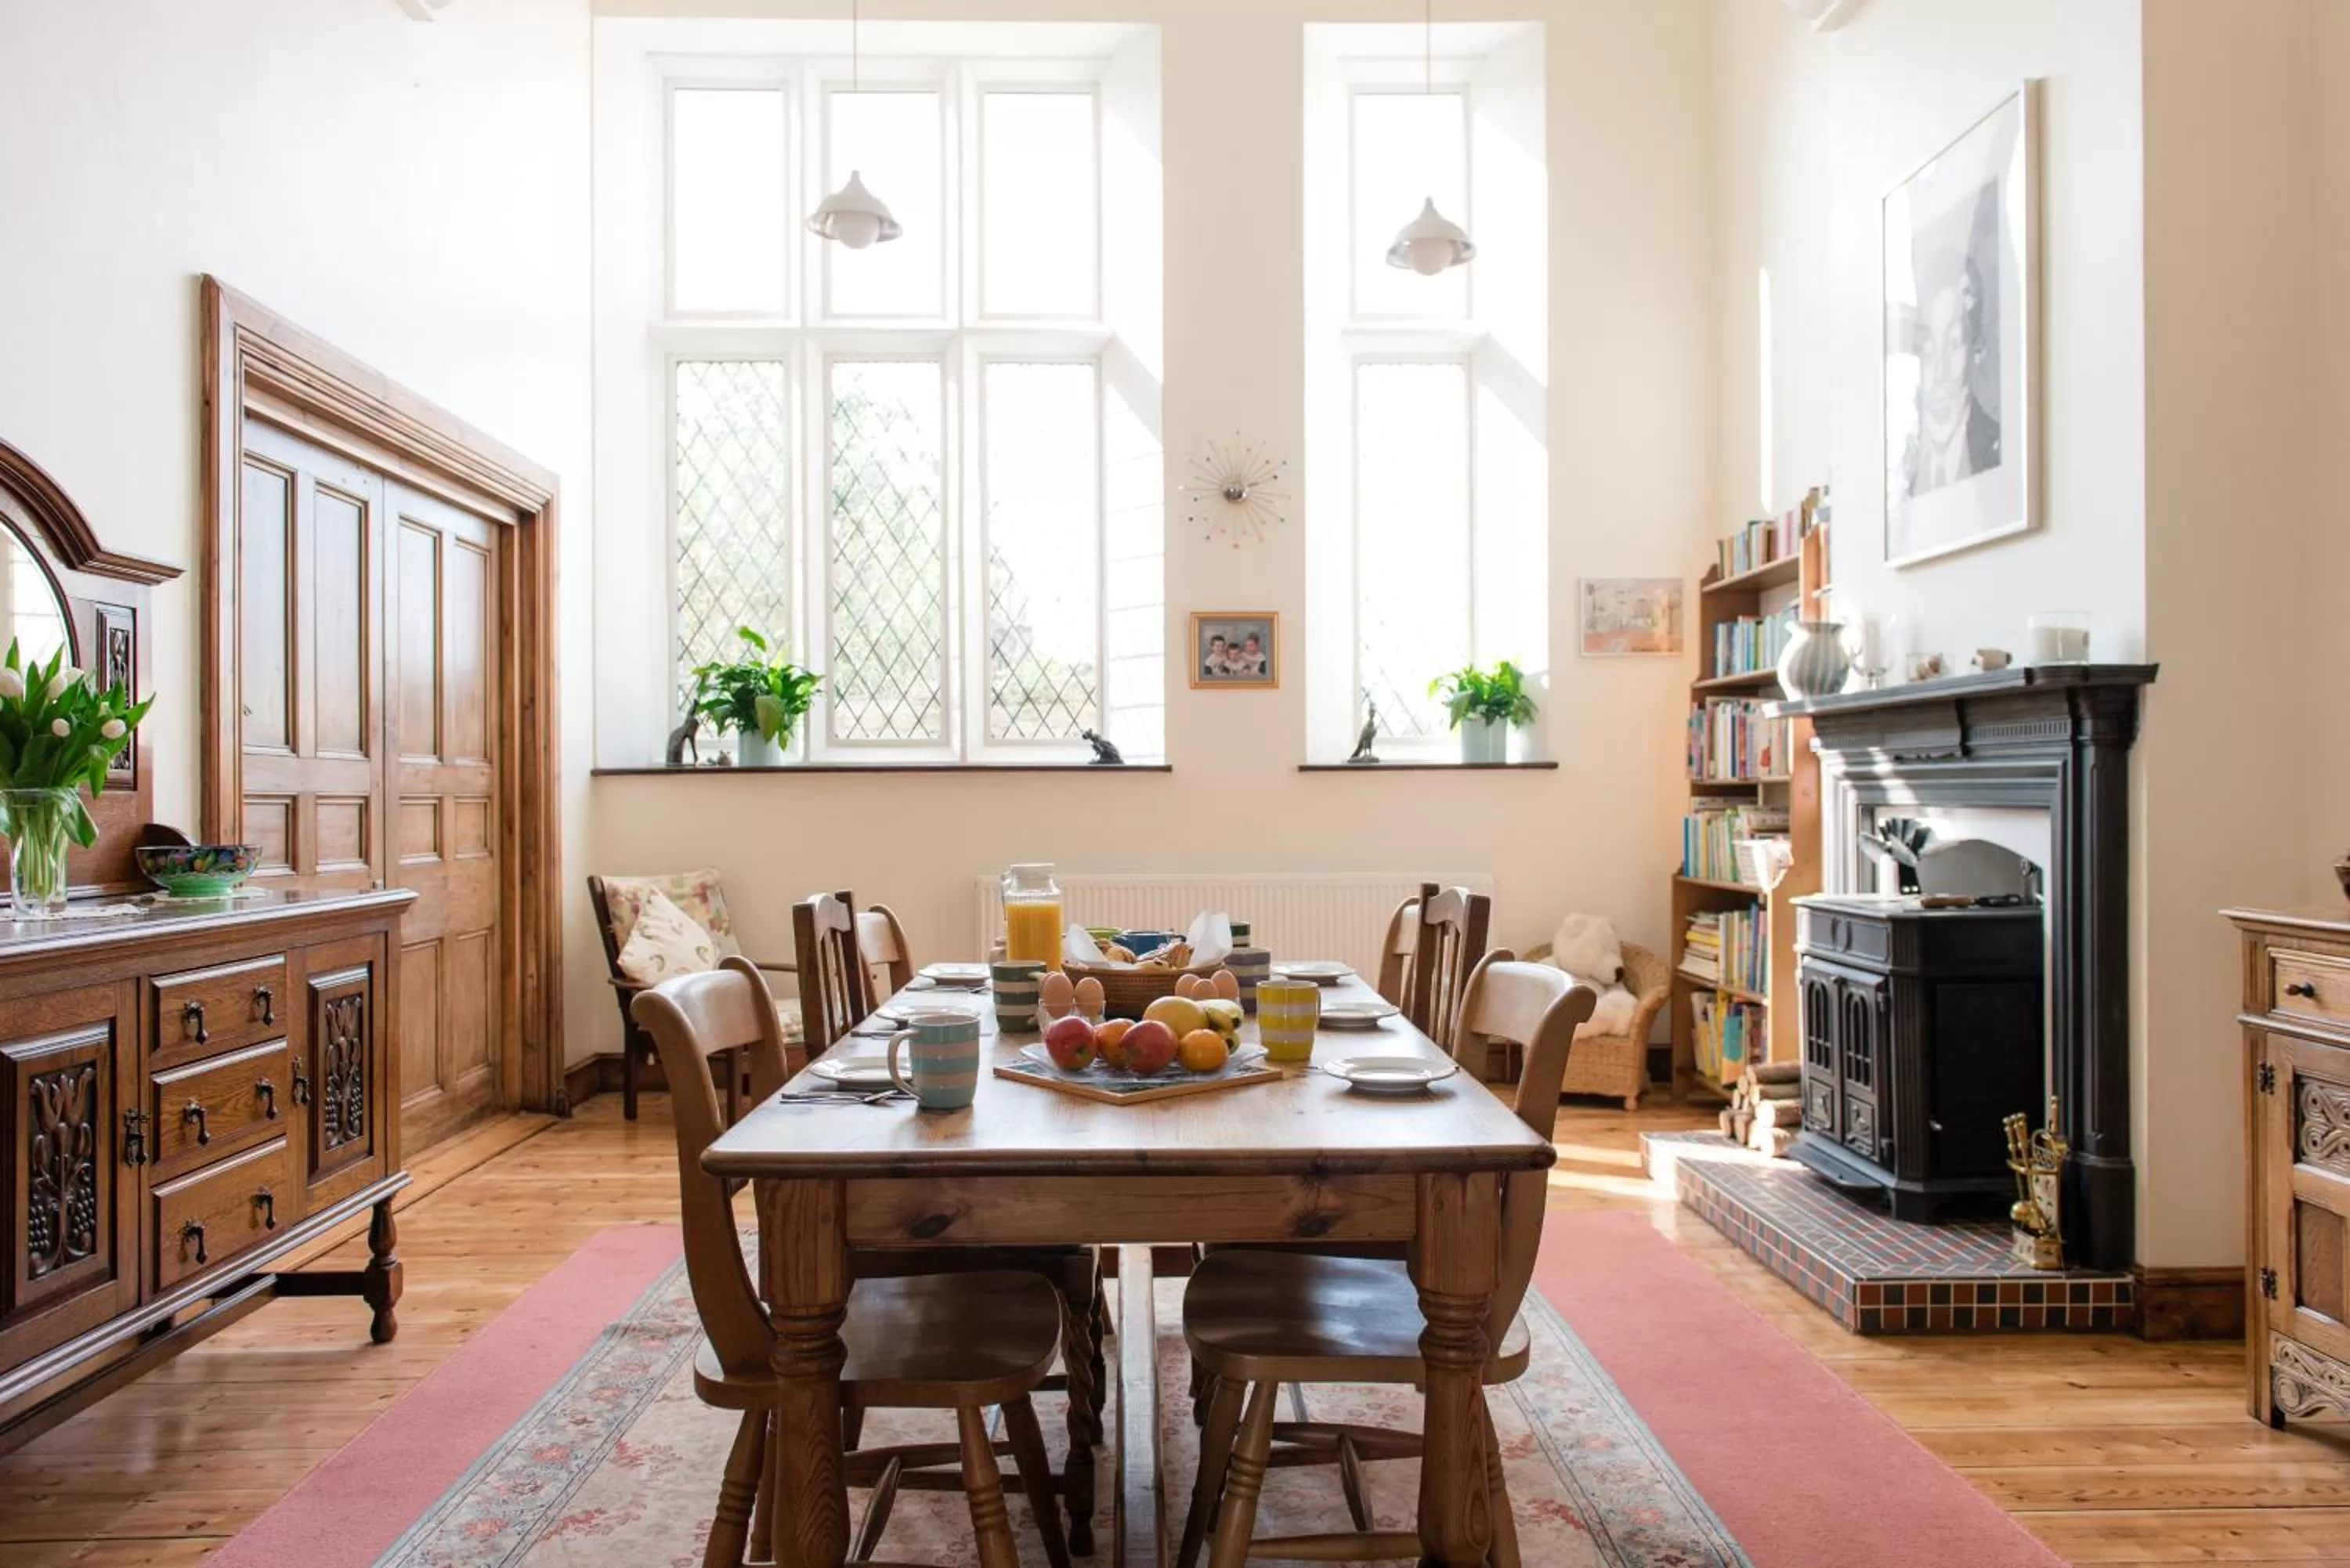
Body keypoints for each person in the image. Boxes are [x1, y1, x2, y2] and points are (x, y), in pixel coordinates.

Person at [1909, 254, 2001, 497]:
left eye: (1954, 344)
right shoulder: (1905, 477)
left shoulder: (1996, 452)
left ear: (1977, 350)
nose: (1940, 376)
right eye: (1928, 352)